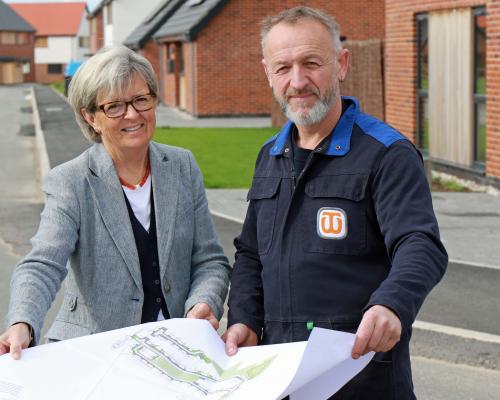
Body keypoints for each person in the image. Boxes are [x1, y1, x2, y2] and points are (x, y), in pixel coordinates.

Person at [223, 6, 447, 399]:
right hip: (279, 377)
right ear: (267, 73)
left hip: (361, 376)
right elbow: (251, 254)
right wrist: (243, 318)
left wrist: (391, 306)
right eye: (282, 67)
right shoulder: (270, 156)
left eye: (311, 63)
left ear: (341, 64)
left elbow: (420, 244)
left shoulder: (386, 153)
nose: (297, 80)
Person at [0, 46, 231, 359]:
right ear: (90, 116)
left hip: (174, 348)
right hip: (94, 351)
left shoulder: (182, 166)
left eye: (141, 100)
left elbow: (210, 260)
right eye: (115, 106)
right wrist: (22, 322)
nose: (133, 114)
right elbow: (43, 263)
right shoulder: (71, 181)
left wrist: (202, 302)